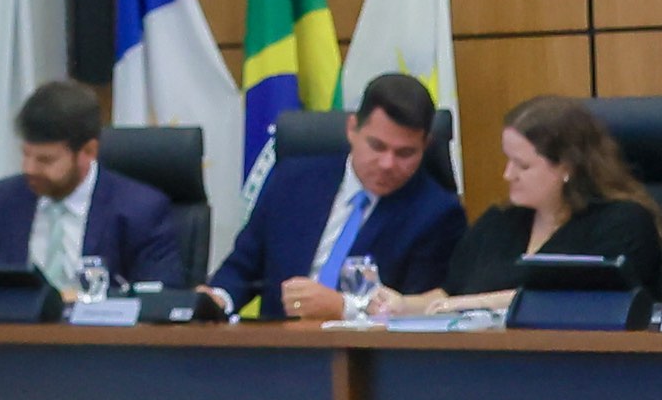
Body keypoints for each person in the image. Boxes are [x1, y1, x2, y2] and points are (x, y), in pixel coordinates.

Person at [194, 71, 469, 321]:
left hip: (364, 360)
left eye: (405, 153)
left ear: (425, 146)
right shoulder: (293, 180)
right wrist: (218, 298)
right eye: (377, 146)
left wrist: (343, 307)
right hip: (276, 350)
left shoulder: (438, 214)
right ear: (352, 129)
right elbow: (243, 266)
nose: (388, 163)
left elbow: (420, 314)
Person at [394, 93, 662, 315]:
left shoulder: (623, 222)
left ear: (567, 167)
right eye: (507, 160)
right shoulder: (499, 221)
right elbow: (449, 294)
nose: (507, 174)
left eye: (523, 165)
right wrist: (402, 305)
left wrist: (471, 305)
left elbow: (572, 302)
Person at [0, 79, 179, 297]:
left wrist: (83, 299)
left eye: (45, 160)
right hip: (18, 343)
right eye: (26, 155)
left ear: (88, 152)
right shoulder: (6, 199)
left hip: (99, 344)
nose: (29, 168)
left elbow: (160, 294)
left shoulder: (139, 209)